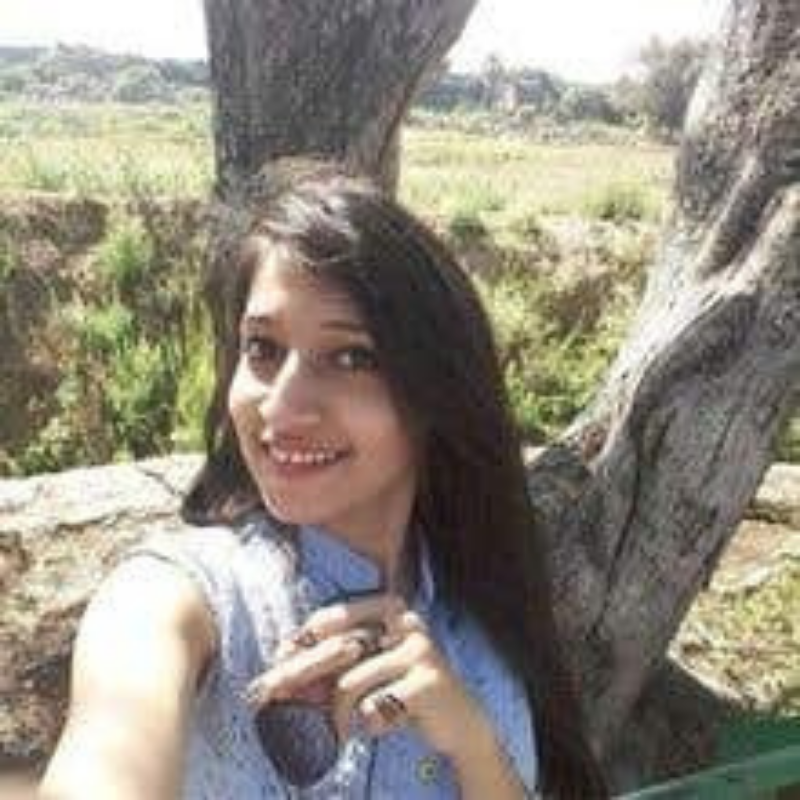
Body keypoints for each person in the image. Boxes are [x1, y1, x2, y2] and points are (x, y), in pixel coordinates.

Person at [39, 168, 607, 799]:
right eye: (262, 349)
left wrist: (473, 746)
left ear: (437, 389)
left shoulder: (487, 624)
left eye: (350, 357)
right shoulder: (174, 603)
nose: (281, 408)